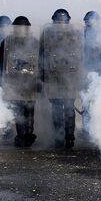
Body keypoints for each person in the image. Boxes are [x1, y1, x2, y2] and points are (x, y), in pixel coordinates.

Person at [39, 9, 82, 149]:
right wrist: (42, 74)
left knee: (68, 108)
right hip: (53, 77)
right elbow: (42, 54)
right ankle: (59, 138)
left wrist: (79, 76)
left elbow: (80, 57)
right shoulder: (47, 34)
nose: (60, 24)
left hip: (69, 78)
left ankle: (69, 138)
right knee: (57, 109)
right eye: (58, 22)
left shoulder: (75, 34)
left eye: (62, 22)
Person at [0, 16, 41, 147]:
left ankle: (27, 134)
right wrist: (2, 79)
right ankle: (23, 135)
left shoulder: (34, 42)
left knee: (27, 109)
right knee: (20, 110)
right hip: (14, 82)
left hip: (30, 82)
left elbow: (41, 62)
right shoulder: (7, 42)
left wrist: (40, 80)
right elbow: (0, 61)